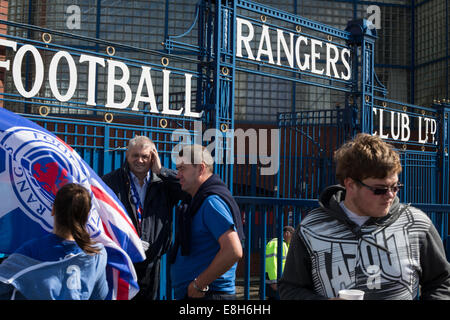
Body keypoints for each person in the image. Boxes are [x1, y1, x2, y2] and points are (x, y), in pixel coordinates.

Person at [279, 133, 450, 300]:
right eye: (380, 189)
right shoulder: (311, 227)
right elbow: (290, 288)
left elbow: (442, 282)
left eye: (395, 187)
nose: (390, 195)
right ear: (350, 184)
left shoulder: (416, 224)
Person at [102, 135, 185, 300]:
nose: (140, 160)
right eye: (135, 155)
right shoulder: (111, 181)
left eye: (145, 156)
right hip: (121, 261)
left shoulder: (164, 183)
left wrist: (161, 171)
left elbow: (186, 190)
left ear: (152, 158)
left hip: (151, 262)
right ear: (127, 155)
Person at [0, 183, 108, 300]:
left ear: (53, 209)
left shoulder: (31, 251)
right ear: (87, 216)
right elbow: (100, 296)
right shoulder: (97, 253)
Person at [169, 144, 244, 300]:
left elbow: (233, 250)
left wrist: (198, 284)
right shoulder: (199, 199)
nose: (178, 175)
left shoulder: (211, 202)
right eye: (178, 169)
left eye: (183, 168)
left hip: (209, 294)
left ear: (201, 168)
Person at [265, 225, 294, 300]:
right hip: (274, 280)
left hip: (280, 279)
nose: (293, 239)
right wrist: (274, 281)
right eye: (293, 236)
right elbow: (271, 262)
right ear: (287, 233)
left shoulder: (286, 244)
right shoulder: (276, 243)